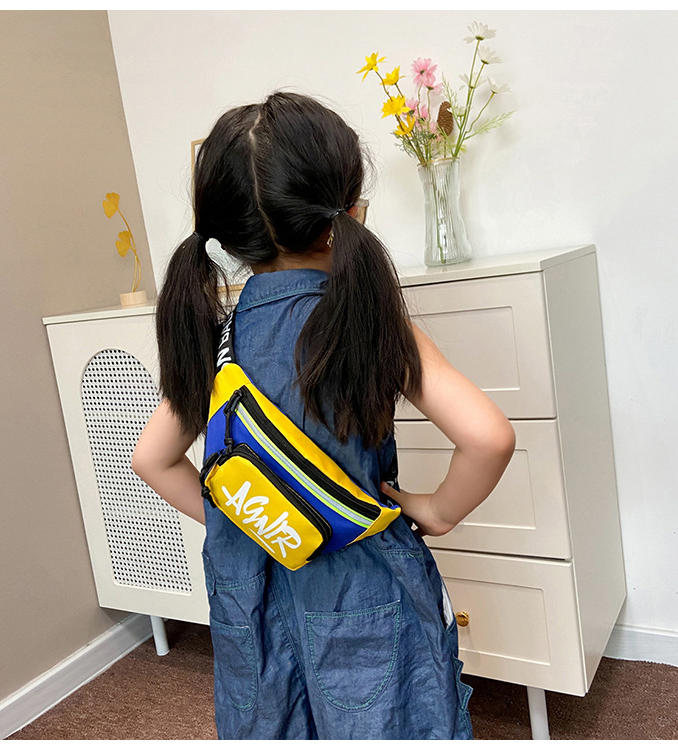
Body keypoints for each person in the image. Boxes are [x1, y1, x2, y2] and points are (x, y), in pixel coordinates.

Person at [132, 91, 516, 740]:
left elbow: (151, 459)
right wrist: (437, 510)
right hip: (362, 590)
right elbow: (489, 437)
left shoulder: (215, 341)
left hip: (248, 596)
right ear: (345, 213)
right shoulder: (368, 323)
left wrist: (261, 520)